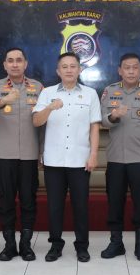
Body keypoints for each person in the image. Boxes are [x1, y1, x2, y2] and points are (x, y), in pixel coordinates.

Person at [33, 52, 100, 263]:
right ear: (58, 71)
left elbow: (94, 126)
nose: (69, 70)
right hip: (54, 160)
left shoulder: (90, 94)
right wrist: (50, 107)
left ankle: (82, 246)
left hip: (80, 160)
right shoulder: (47, 93)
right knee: (54, 206)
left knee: (81, 206)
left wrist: (93, 155)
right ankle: (55, 245)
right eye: (65, 66)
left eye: (73, 66)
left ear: (80, 69)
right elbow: (36, 121)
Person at [99, 53, 140, 261]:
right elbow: (102, 121)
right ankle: (116, 243)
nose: (130, 71)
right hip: (116, 158)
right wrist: (113, 116)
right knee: (114, 202)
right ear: (120, 70)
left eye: (135, 67)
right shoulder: (110, 91)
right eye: (126, 67)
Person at [0, 47, 43, 261]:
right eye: (10, 60)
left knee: (28, 200)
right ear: (5, 65)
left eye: (19, 60)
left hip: (29, 154)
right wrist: (3, 101)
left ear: (25, 64)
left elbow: (44, 123)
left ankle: (25, 245)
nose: (15, 64)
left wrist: (42, 151)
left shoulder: (38, 87)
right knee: (6, 201)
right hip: (5, 154)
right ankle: (9, 245)